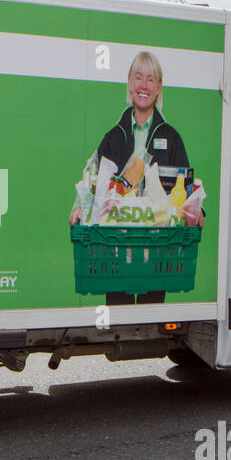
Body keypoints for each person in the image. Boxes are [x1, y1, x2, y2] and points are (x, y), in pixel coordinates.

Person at [70, 51, 191, 306]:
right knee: (118, 317)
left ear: (158, 87)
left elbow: (186, 186)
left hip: (157, 247)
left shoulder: (171, 138)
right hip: (116, 246)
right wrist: (79, 206)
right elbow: (93, 176)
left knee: (151, 319)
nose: (143, 86)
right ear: (129, 83)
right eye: (138, 78)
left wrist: (196, 212)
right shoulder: (114, 136)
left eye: (150, 79)